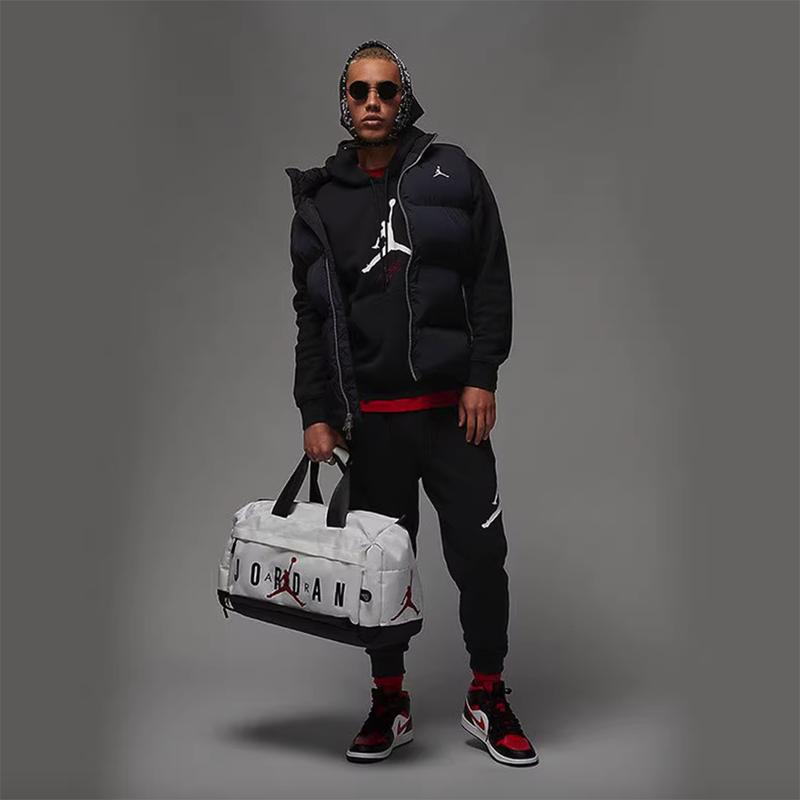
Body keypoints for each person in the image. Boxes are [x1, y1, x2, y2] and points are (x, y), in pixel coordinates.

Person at [284, 39, 537, 767]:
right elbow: (311, 316)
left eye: (386, 90)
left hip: (454, 418)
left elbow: (491, 277)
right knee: (379, 572)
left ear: (405, 98)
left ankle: (487, 695)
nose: (373, 102)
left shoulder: (452, 172)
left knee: (481, 557)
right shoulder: (321, 201)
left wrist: (483, 373)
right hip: (373, 428)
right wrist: (314, 411)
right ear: (344, 102)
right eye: (359, 91)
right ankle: (388, 701)